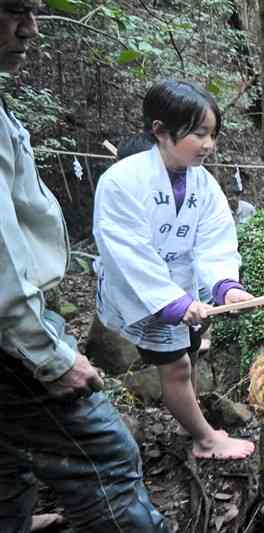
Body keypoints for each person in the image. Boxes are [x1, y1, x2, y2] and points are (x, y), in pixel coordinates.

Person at [0, 3, 170, 531]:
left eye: (32, 10)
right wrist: (48, 355)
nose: (31, 27)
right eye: (12, 11)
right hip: (15, 334)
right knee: (106, 455)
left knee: (6, 458)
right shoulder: (122, 182)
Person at [93, 80, 256, 461]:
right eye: (199, 134)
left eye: (212, 134)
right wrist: (171, 303)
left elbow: (215, 240)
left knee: (190, 351)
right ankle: (204, 439)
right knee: (177, 366)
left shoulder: (204, 184)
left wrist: (225, 287)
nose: (209, 145)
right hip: (145, 293)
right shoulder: (122, 181)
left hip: (185, 290)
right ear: (160, 131)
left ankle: (191, 412)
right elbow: (128, 251)